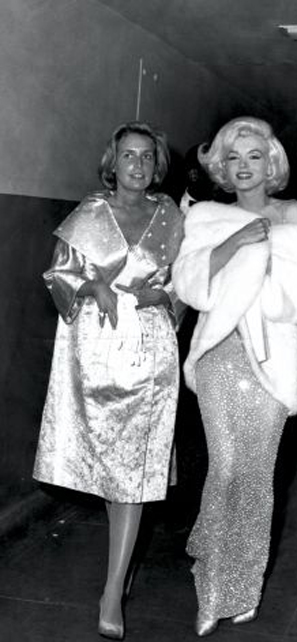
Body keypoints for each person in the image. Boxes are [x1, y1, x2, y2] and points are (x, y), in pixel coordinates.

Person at [172, 116, 297, 636]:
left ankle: (242, 585)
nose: (243, 166)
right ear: (221, 166)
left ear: (272, 162)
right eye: (233, 158)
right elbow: (192, 284)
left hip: (271, 360)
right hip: (218, 355)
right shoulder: (206, 217)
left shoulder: (292, 214)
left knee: (256, 477)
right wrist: (239, 240)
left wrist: (258, 260)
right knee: (224, 469)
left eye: (254, 156)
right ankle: (212, 591)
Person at [33, 121, 184, 640]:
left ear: (157, 165)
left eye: (147, 156)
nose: (138, 165)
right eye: (128, 156)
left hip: (151, 351)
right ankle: (124, 561)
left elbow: (188, 283)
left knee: (134, 474)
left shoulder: (172, 217)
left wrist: (165, 296)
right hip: (95, 351)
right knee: (111, 470)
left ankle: (112, 590)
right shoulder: (90, 214)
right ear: (112, 163)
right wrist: (91, 288)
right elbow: (58, 274)